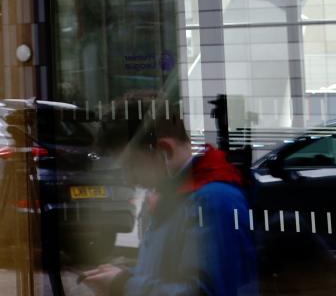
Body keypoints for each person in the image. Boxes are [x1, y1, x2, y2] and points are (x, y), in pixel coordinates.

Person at [81, 99, 258, 296]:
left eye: (131, 165)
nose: (129, 179)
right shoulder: (177, 194)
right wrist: (126, 275)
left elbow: (206, 292)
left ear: (165, 150)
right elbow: (172, 272)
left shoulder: (214, 201)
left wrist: (123, 284)